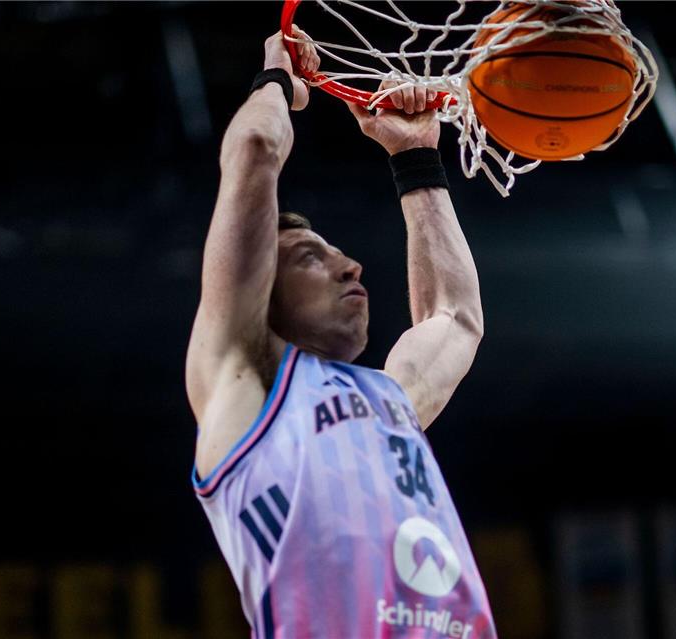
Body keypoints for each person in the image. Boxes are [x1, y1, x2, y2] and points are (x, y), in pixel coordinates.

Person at [186, 26, 496, 639]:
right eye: (309, 257)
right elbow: (252, 149)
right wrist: (277, 77)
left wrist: (414, 156)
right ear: (258, 297)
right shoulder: (239, 385)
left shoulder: (388, 402)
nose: (349, 265)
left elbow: (454, 318)